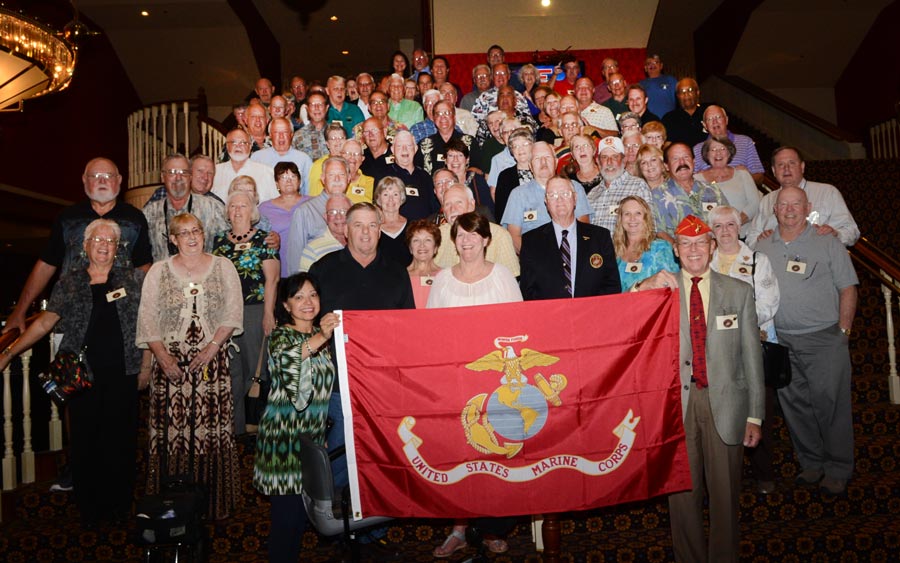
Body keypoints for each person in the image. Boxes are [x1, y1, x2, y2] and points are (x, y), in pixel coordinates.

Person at [634, 214, 764, 563]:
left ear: (711, 246)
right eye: (686, 244)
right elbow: (627, 320)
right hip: (677, 407)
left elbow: (752, 357)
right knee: (681, 495)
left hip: (727, 405)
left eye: (700, 242)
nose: (694, 250)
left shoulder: (738, 291)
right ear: (675, 250)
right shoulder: (661, 290)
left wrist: (755, 415)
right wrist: (641, 286)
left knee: (725, 495)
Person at [0, 219, 144, 524]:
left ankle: (118, 509)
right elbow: (44, 322)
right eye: (98, 240)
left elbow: (149, 324)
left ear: (118, 248)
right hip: (82, 376)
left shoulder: (132, 280)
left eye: (110, 241)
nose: (104, 246)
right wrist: (9, 352)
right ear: (86, 245)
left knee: (120, 443)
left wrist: (148, 364)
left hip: (124, 373)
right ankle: (89, 510)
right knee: (85, 442)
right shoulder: (69, 281)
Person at [137, 213, 243, 520]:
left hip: (213, 366)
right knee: (172, 434)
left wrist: (211, 349)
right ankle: (171, 506)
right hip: (169, 369)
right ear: (173, 239)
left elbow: (233, 313)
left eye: (196, 230)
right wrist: (162, 357)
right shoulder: (158, 271)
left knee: (212, 433)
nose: (192, 237)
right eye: (184, 233)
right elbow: (147, 319)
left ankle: (213, 505)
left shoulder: (224, 266)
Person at [428, 211, 521, 557]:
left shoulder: (502, 277)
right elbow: (431, 333)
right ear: (454, 241)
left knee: (495, 450)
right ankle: (458, 529)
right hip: (455, 381)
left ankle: (493, 526)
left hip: (495, 382)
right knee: (459, 453)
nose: (466, 241)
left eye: (473, 234)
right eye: (460, 235)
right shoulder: (442, 280)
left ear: (486, 239)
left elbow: (517, 330)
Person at [755, 186, 859, 496]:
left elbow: (848, 288)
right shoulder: (763, 247)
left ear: (807, 207)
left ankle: (839, 467)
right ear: (775, 210)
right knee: (795, 406)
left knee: (831, 404)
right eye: (783, 204)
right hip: (782, 342)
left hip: (825, 339)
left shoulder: (827, 241)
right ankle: (812, 463)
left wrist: (843, 332)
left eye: (795, 204)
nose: (789, 209)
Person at [309, 203, 415, 490]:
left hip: (383, 382)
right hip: (338, 383)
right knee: (342, 451)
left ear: (380, 232)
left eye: (371, 226)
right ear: (345, 230)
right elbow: (305, 320)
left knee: (382, 450)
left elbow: (407, 328)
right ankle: (341, 519)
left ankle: (376, 520)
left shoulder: (396, 272)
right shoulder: (322, 269)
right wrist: (321, 325)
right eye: (358, 225)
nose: (365, 232)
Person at [3, 157, 152, 336]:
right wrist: (20, 310)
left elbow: (143, 267)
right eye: (95, 176)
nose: (102, 180)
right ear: (84, 179)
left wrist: (147, 311)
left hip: (120, 316)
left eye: (108, 175)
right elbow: (47, 264)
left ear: (119, 180)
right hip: (71, 316)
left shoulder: (135, 218)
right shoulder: (67, 218)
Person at [253, 273, 341, 563]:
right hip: (283, 439)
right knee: (287, 520)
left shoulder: (318, 337)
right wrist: (322, 336)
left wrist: (322, 438)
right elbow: (291, 358)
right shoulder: (281, 335)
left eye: (313, 294)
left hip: (310, 440)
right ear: (287, 305)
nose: (308, 302)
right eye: (299, 296)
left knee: (302, 519)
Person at [709, 205, 780, 494]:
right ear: (711, 233)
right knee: (724, 412)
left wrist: (741, 325)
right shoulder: (704, 261)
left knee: (759, 410)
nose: (725, 231)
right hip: (719, 351)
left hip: (755, 345)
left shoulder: (757, 261)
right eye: (718, 226)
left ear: (739, 228)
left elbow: (769, 302)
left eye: (730, 225)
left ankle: (765, 474)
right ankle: (729, 476)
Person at [213, 189, 280, 435]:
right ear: (227, 212)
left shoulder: (265, 239)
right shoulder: (218, 241)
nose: (238, 210)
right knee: (232, 372)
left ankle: (260, 428)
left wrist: (268, 313)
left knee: (258, 370)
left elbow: (272, 280)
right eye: (233, 206)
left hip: (255, 311)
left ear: (252, 211)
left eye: (243, 206)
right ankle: (236, 430)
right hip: (227, 314)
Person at [519, 176, 621, 299]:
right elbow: (528, 291)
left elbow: (612, 286)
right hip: (550, 315)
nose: (559, 200)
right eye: (552, 195)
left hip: (593, 314)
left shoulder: (600, 237)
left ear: (575, 198)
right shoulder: (531, 241)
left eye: (565, 194)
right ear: (546, 202)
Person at [746, 146, 859, 248]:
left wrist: (835, 234)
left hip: (818, 263)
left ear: (802, 167)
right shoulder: (767, 200)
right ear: (774, 171)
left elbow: (851, 231)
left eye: (792, 163)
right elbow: (751, 237)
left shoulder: (827, 192)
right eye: (780, 165)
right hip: (775, 264)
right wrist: (760, 240)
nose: (786, 169)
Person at [502, 141, 592, 253]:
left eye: (547, 157)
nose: (543, 162)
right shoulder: (518, 195)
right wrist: (537, 261)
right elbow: (514, 236)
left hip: (572, 254)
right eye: (537, 159)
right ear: (530, 165)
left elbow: (584, 227)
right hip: (534, 259)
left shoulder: (574, 187)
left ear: (556, 161)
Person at [143, 154, 230, 262]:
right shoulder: (149, 213)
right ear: (162, 176)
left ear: (190, 177)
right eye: (172, 172)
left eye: (184, 173)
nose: (178, 178)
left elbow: (229, 246)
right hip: (163, 277)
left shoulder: (213, 208)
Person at [652, 142, 729, 240]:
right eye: (675, 159)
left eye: (686, 157)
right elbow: (659, 231)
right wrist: (678, 249)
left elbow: (727, 220)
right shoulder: (657, 195)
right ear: (666, 166)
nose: (682, 163)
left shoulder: (713, 190)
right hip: (676, 252)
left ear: (694, 161)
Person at [696, 136, 761, 238]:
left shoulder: (742, 174)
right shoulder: (697, 179)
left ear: (729, 153)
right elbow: (695, 210)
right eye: (713, 149)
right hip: (710, 237)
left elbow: (755, 203)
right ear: (707, 154)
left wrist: (734, 224)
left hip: (742, 234)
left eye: (722, 149)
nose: (718, 153)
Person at [586, 136, 652, 233]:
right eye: (604, 157)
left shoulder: (638, 186)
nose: (609, 162)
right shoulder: (592, 194)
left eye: (615, 157)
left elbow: (650, 226)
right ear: (598, 162)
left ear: (624, 160)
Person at [613, 195, 680, 291]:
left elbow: (672, 287)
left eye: (638, 213)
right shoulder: (613, 251)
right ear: (620, 219)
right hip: (620, 305)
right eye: (627, 214)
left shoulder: (661, 248)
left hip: (654, 305)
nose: (632, 218)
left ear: (646, 217)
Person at [259, 162, 310, 278]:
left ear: (300, 181)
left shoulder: (313, 203)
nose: (289, 181)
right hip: (277, 269)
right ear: (276, 183)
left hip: (308, 267)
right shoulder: (264, 208)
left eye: (293, 176)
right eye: (283, 177)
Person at [692, 105, 765, 184]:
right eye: (709, 119)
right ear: (705, 125)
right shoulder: (697, 149)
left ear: (726, 120)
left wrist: (746, 176)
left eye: (718, 117)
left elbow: (760, 177)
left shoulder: (746, 142)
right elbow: (691, 181)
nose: (715, 122)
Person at [298, 195, 351, 272]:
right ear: (325, 217)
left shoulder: (363, 244)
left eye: (344, 211)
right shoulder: (312, 250)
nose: (338, 217)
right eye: (332, 212)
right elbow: (304, 283)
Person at [494, 127, 535, 222]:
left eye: (524, 144)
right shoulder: (505, 176)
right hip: (515, 224)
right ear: (511, 151)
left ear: (533, 146)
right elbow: (501, 210)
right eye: (515, 146)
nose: (520, 149)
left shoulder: (542, 171)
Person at [374, 176, 412, 266]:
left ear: (401, 198)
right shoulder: (372, 227)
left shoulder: (412, 227)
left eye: (395, 194)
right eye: (386, 194)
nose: (390, 199)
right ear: (379, 198)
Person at [405, 219, 442, 308]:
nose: (422, 245)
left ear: (436, 247)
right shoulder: (401, 277)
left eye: (428, 240)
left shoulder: (445, 276)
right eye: (416, 240)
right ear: (410, 248)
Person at [662, 78, 709, 147]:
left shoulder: (707, 114)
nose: (686, 94)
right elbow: (666, 146)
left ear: (697, 92)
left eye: (690, 90)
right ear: (677, 96)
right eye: (682, 91)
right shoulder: (669, 118)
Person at [639, 54, 678, 118]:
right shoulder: (641, 85)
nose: (652, 65)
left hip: (669, 120)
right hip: (649, 123)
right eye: (649, 63)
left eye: (656, 62)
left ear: (661, 66)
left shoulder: (671, 81)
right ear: (645, 68)